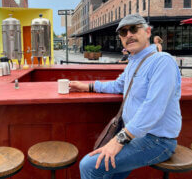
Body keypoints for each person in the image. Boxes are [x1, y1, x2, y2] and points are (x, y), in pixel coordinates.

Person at [70, 14, 181, 179]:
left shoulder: (162, 61)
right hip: (135, 136)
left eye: (134, 29)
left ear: (148, 31)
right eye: (123, 32)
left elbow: (153, 108)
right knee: (110, 176)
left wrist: (118, 140)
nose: (128, 34)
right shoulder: (134, 62)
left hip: (157, 141)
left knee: (90, 166)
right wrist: (86, 86)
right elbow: (117, 85)